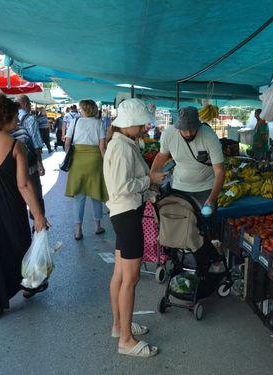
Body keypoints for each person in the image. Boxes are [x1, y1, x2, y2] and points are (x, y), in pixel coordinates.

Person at [0, 93, 49, 322]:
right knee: (19, 245)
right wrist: (38, 216)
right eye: (15, 116)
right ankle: (27, 286)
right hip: (9, 204)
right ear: (6, 117)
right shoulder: (16, 145)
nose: (17, 121)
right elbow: (24, 185)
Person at [104, 98, 166, 357]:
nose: (144, 129)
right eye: (141, 124)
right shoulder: (121, 148)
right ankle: (126, 341)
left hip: (125, 214)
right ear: (128, 124)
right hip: (127, 214)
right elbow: (121, 187)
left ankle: (120, 326)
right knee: (131, 278)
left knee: (120, 274)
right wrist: (148, 180)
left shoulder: (124, 143)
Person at [150, 106, 225, 209]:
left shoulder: (209, 136)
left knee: (206, 222)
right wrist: (153, 174)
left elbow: (220, 171)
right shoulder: (168, 134)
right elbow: (162, 155)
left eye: (192, 129)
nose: (188, 133)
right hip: (179, 188)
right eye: (184, 130)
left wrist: (212, 198)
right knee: (182, 222)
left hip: (206, 189)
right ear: (178, 126)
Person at [64, 99, 108, 240]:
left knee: (79, 196)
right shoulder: (99, 123)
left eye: (81, 108)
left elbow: (67, 142)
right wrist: (107, 163)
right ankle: (97, 226)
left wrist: (68, 156)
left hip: (78, 160)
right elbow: (102, 147)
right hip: (95, 161)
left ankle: (78, 230)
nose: (80, 110)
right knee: (96, 194)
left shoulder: (75, 122)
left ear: (85, 109)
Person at [15, 95, 46, 214]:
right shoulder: (30, 119)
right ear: (26, 105)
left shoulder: (6, 117)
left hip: (14, 165)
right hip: (29, 165)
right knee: (35, 194)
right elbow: (36, 143)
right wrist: (40, 163)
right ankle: (39, 224)